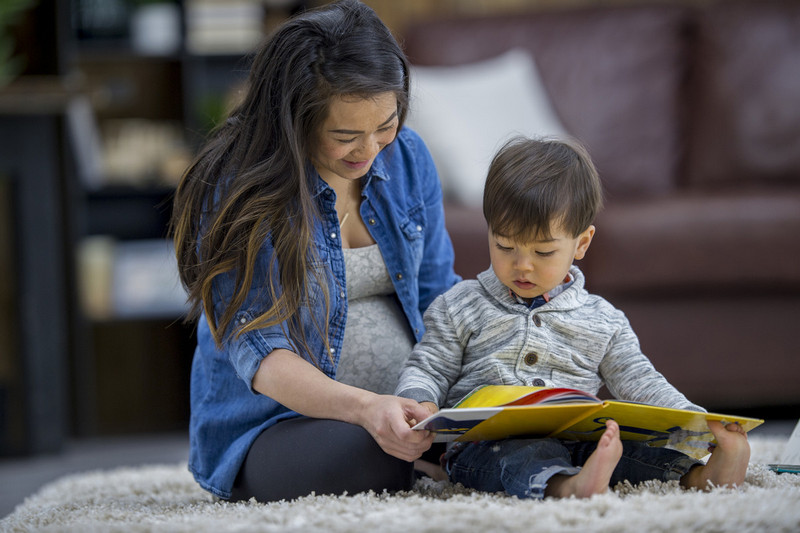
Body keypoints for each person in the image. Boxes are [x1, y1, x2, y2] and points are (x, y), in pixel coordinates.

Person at [171, 0, 459, 502]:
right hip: (281, 425)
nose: (370, 150)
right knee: (371, 453)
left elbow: (440, 297)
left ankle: (459, 454)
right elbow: (264, 355)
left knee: (527, 415)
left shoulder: (408, 156)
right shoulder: (239, 189)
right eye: (345, 136)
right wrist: (369, 408)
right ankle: (442, 460)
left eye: (385, 125)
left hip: (414, 403)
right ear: (294, 120)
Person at [395, 136, 750, 499]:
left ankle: (701, 475)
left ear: (581, 244)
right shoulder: (459, 304)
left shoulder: (604, 320)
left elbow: (640, 381)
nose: (522, 265)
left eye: (543, 251)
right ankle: (569, 486)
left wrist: (695, 421)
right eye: (504, 245)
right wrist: (418, 404)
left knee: (633, 452)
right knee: (515, 459)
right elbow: (429, 367)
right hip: (486, 445)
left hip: (580, 439)